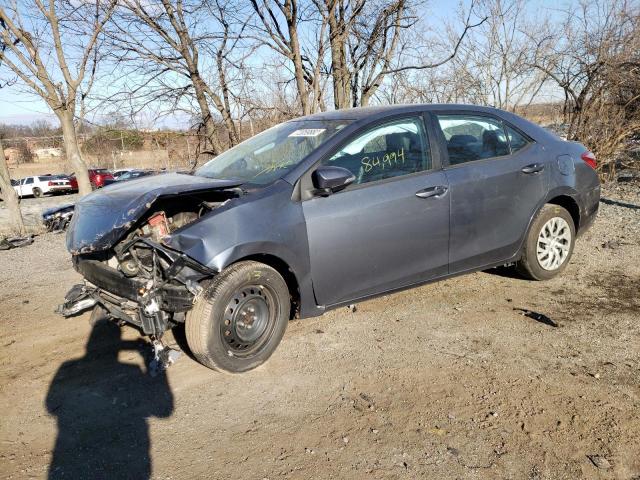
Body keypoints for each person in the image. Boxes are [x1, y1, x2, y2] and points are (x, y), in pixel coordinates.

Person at [46, 318, 174, 479]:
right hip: (130, 458)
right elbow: (164, 411)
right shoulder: (132, 369)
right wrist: (150, 358)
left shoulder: (67, 366)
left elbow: (51, 406)